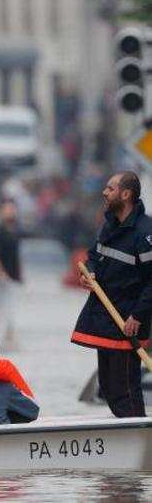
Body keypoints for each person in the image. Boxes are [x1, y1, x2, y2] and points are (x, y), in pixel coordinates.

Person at [72, 171, 152, 418]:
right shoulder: (110, 225)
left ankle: (138, 436)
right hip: (107, 317)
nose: (104, 193)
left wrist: (137, 316)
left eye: (110, 188)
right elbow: (94, 256)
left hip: (128, 321)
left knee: (126, 388)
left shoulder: (145, 232)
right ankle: (127, 435)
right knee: (107, 387)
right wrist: (91, 273)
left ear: (126, 194)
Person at [0, 200, 23, 344]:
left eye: (12, 209)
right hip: (0, 277)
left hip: (13, 276)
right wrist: (0, 272)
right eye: (7, 209)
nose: (10, 212)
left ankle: (9, 336)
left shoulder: (15, 231)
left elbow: (17, 255)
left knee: (11, 307)